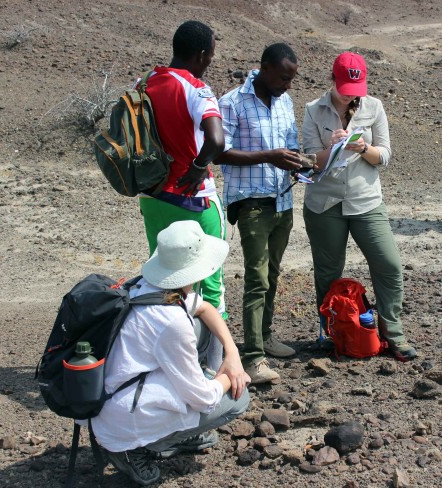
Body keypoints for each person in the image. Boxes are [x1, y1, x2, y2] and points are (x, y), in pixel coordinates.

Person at [92, 221, 251, 486]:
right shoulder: (170, 320)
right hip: (122, 415)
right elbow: (203, 398)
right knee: (238, 398)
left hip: (114, 392)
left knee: (203, 327)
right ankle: (134, 450)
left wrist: (232, 353)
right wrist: (231, 376)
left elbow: (205, 308)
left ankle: (170, 430)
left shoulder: (145, 287)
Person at [302, 51, 417, 361]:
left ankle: (392, 332)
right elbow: (310, 162)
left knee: (389, 265)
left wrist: (364, 147)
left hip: (366, 201)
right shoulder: (313, 110)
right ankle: (334, 333)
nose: (350, 95)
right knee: (328, 273)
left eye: (356, 89)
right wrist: (333, 148)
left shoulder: (374, 107)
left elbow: (385, 156)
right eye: (345, 88)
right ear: (333, 80)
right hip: (324, 203)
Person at [136, 20, 226, 371]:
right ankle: (214, 367)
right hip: (194, 198)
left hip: (152, 196)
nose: (209, 63)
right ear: (201, 54)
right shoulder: (196, 88)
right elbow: (215, 140)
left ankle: (167, 362)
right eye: (210, 57)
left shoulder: (144, 82)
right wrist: (200, 165)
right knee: (210, 283)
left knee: (165, 278)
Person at [215, 43, 304, 384]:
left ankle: (264, 337)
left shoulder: (285, 101)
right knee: (256, 278)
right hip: (252, 202)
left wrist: (298, 164)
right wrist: (270, 156)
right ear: (264, 68)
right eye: (283, 77)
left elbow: (290, 144)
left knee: (274, 273)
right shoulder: (232, 102)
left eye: (291, 79)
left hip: (282, 201)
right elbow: (219, 153)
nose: (288, 85)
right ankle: (252, 357)